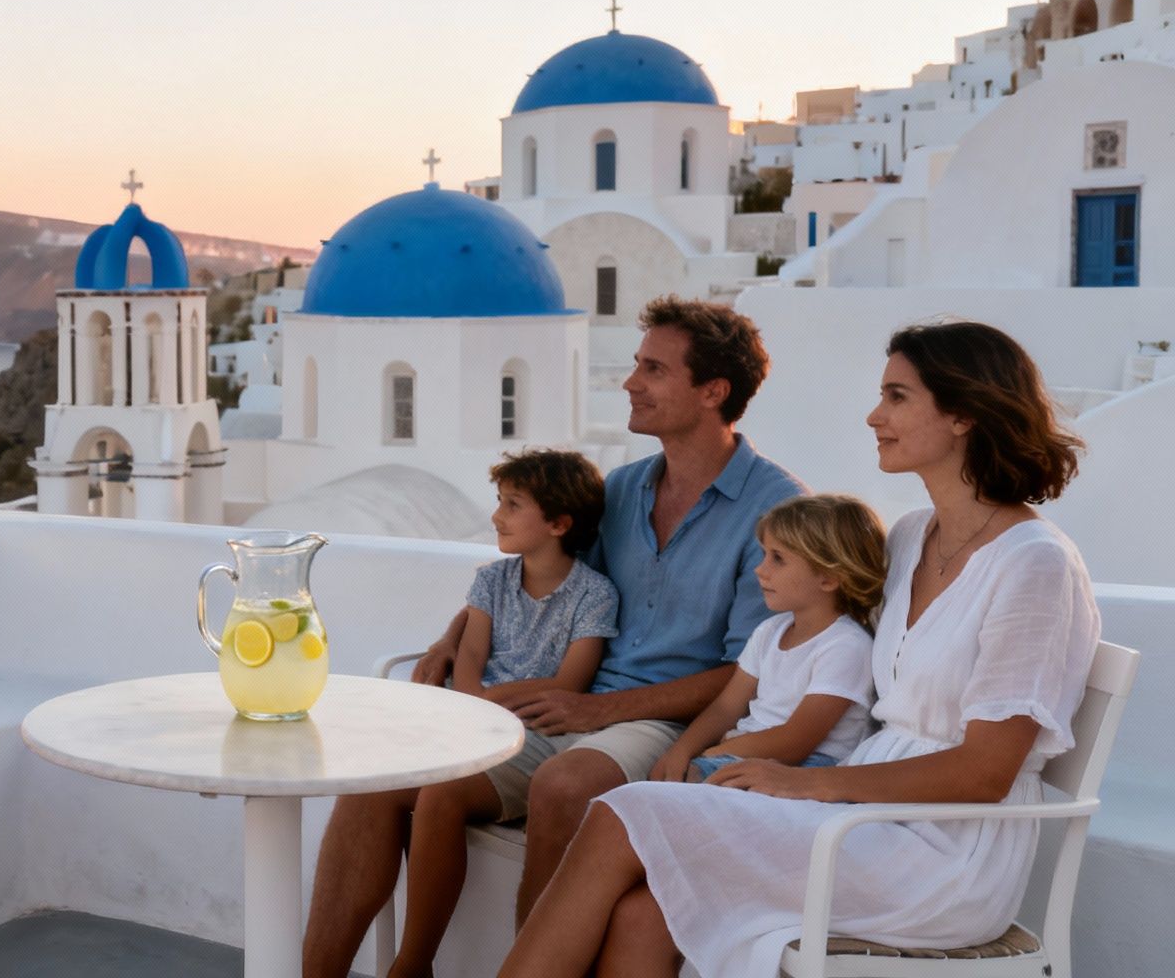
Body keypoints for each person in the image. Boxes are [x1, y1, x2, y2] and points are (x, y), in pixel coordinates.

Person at [498, 320, 1101, 978]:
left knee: (627, 809)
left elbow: (984, 773)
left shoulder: (1034, 564)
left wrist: (801, 781)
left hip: (940, 849)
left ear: (962, 414)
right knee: (643, 910)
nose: (875, 415)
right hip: (857, 815)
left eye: (897, 397)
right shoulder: (908, 538)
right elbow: (808, 649)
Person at [303, 297, 805, 978]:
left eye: (653, 369)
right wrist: (453, 636)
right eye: (635, 364)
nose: (630, 382)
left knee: (567, 784)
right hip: (566, 702)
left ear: (713, 392)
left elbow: (749, 671)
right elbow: (541, 571)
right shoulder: (623, 489)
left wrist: (600, 710)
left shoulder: (775, 510)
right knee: (381, 779)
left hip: (666, 717)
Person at [380, 450, 618, 976]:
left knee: (440, 792)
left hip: (537, 734)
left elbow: (567, 685)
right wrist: (475, 706)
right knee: (377, 780)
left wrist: (487, 704)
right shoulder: (490, 581)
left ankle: (412, 963)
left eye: (513, 504)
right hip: (475, 722)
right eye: (500, 501)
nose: (497, 516)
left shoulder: (594, 596)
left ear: (559, 523)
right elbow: (470, 658)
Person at [649, 494, 884, 786]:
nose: (760, 569)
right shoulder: (770, 631)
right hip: (743, 751)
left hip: (803, 768)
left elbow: (795, 741)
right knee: (662, 777)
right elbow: (726, 706)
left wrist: (715, 752)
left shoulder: (845, 646)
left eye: (778, 559)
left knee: (681, 788)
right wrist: (680, 751)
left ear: (828, 578)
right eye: (764, 554)